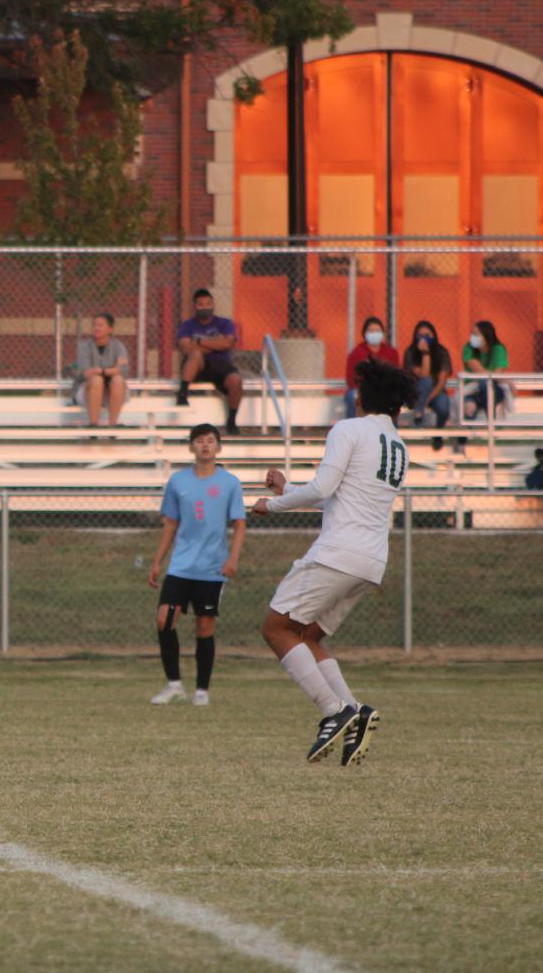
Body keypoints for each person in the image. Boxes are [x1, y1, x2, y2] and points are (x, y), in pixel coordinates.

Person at [251, 359, 418, 768]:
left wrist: (271, 504)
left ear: (364, 396)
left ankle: (333, 710)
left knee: (276, 628)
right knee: (307, 636)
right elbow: (339, 496)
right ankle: (354, 711)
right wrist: (288, 486)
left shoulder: (348, 429)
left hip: (337, 553)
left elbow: (324, 488)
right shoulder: (397, 446)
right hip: (371, 560)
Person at [146, 424, 246, 706]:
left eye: (210, 441)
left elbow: (239, 524)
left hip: (211, 568)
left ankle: (202, 690)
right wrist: (157, 561)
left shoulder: (230, 483)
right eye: (199, 441)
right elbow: (171, 524)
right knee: (165, 619)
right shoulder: (178, 482)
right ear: (191, 446)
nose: (205, 445)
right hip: (180, 566)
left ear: (218, 447)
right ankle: (174, 684)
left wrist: (233, 559)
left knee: (204, 627)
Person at [175, 289, 243, 435]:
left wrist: (199, 341)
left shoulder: (224, 323)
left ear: (213, 305)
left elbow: (228, 344)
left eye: (208, 303)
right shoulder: (187, 325)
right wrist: (215, 344)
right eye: (201, 304)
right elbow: (186, 347)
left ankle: (231, 421)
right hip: (198, 367)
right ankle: (182, 394)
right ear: (194, 306)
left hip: (220, 365)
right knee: (196, 354)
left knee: (236, 380)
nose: (205, 307)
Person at [457, 321, 509, 453]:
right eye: (472, 333)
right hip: (473, 390)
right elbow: (478, 369)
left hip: (491, 391)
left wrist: (497, 377)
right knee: (469, 405)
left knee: (486, 386)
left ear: (486, 335)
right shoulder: (468, 348)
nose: (472, 337)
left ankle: (491, 430)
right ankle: (462, 443)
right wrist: (504, 379)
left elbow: (494, 377)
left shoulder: (498, 349)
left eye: (476, 334)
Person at [402, 320, 452, 451]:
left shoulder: (442, 352)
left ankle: (438, 434)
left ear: (434, 336)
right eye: (420, 335)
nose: (424, 338)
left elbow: (442, 382)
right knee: (427, 381)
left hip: (434, 393)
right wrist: (425, 353)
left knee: (443, 405)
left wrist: (426, 400)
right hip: (416, 393)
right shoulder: (411, 352)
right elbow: (423, 375)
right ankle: (419, 413)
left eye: (427, 335)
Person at [73, 312, 130, 427]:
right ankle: (93, 426)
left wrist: (101, 371)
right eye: (94, 325)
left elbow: (124, 370)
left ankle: (113, 426)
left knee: (118, 380)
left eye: (100, 325)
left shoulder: (118, 346)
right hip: (87, 391)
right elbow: (86, 373)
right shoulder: (84, 346)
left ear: (110, 329)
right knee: (96, 381)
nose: (96, 328)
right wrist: (113, 369)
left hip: (112, 392)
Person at [343, 316, 400, 419]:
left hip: (384, 390)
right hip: (362, 390)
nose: (374, 333)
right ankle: (353, 429)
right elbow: (351, 378)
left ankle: (390, 431)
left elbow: (396, 377)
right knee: (352, 396)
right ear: (364, 333)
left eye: (377, 330)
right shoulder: (356, 353)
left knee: (392, 398)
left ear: (383, 333)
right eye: (371, 331)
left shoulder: (391, 353)